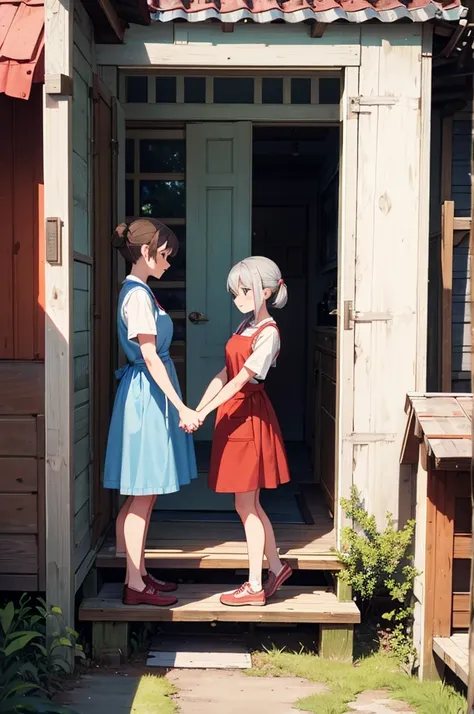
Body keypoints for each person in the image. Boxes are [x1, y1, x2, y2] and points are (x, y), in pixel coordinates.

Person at [104, 218, 199, 607]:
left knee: (145, 493)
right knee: (143, 493)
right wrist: (180, 406)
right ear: (146, 253)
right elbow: (147, 355)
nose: (169, 262)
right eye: (165, 255)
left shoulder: (142, 291)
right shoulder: (138, 296)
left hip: (147, 393)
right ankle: (134, 584)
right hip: (146, 396)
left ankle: (139, 574)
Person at [193, 256, 292, 606]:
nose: (238, 298)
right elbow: (225, 372)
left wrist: (203, 411)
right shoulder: (245, 326)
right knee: (248, 503)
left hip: (250, 418)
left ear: (266, 291)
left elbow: (240, 380)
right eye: (236, 291)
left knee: (247, 505)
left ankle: (254, 587)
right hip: (234, 414)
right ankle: (276, 568)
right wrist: (199, 408)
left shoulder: (269, 334)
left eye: (245, 290)